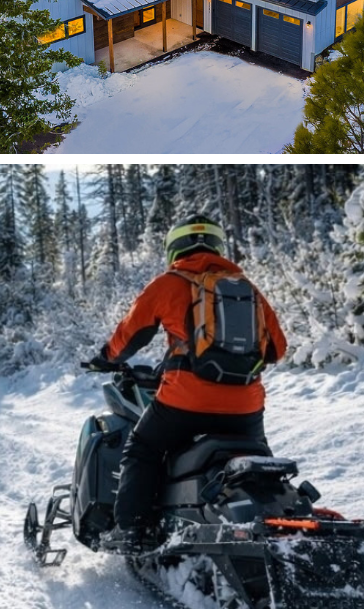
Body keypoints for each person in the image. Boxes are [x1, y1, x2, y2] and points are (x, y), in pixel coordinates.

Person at [87, 215, 288, 553]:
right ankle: (275, 516)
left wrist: (107, 356)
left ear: (175, 249)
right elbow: (277, 349)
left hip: (185, 401)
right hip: (245, 406)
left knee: (142, 449)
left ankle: (132, 531)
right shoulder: (247, 288)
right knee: (256, 460)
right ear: (217, 247)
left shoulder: (169, 282)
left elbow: (129, 334)